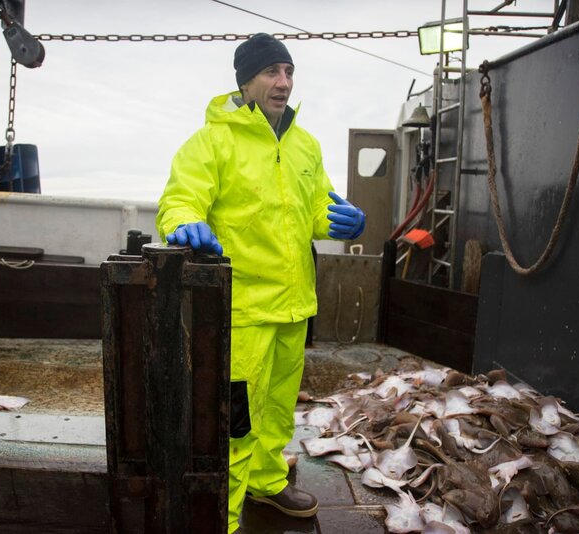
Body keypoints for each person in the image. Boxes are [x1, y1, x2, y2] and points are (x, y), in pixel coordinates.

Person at [156, 33, 365, 534]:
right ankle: (222, 519)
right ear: (245, 80)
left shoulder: (305, 144)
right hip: (243, 310)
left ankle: (267, 484)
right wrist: (184, 224)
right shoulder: (212, 141)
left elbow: (318, 210)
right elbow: (180, 200)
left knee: (276, 410)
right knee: (234, 422)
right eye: (271, 72)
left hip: (294, 307)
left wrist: (343, 219)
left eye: (289, 72)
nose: (283, 83)